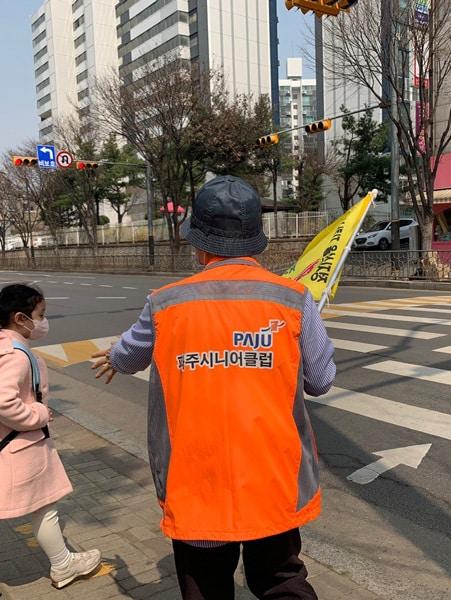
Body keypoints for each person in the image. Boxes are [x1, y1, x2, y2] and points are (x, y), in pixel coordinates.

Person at [91, 175, 336, 600]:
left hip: (196, 479)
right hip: (272, 477)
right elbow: (321, 381)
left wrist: (112, 357)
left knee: (205, 586)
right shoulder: (294, 299)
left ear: (198, 243)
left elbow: (129, 357)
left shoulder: (166, 302)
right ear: (256, 241)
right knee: (281, 581)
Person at [0, 284, 101, 600]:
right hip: (18, 447)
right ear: (21, 318)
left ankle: (59, 564)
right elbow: (0, 402)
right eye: (40, 315)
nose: (43, 321)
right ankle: (61, 565)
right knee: (37, 507)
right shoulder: (14, 354)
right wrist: (38, 414)